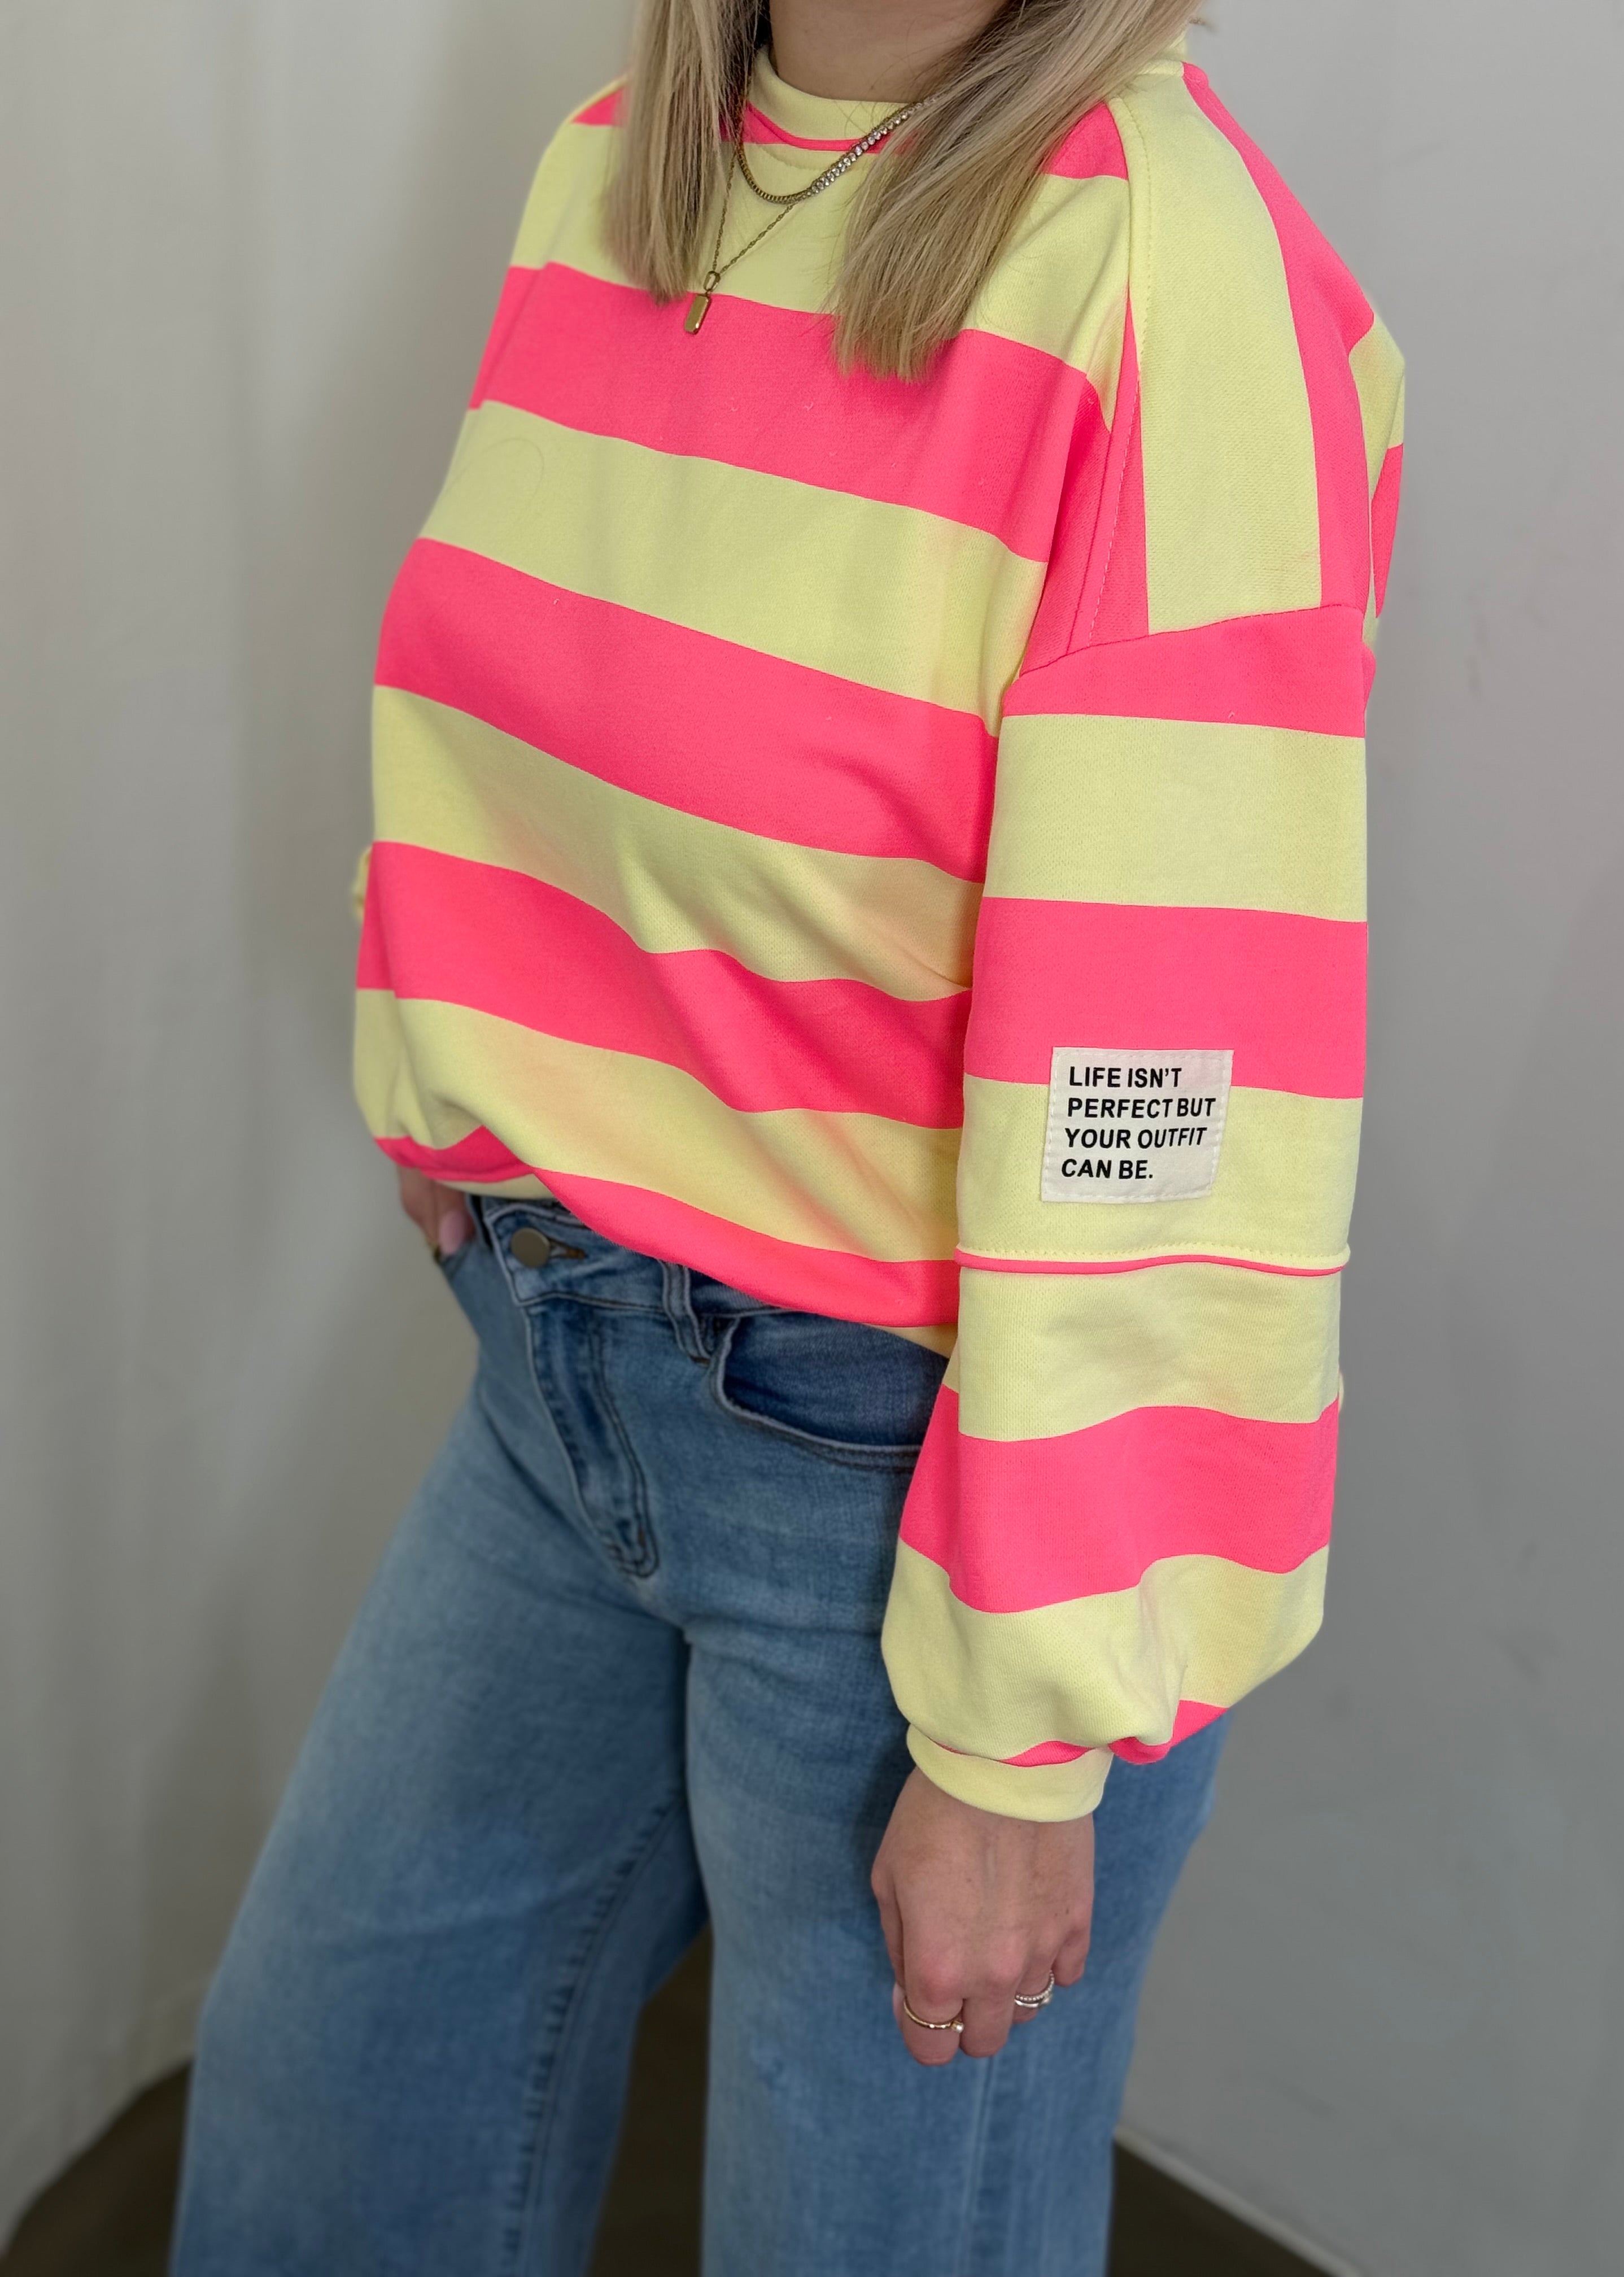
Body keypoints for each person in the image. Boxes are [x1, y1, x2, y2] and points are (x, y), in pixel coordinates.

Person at [171, 1, 1403, 2270]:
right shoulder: (621, 162)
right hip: (559, 1386)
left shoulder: (1162, 275)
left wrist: (1018, 1744)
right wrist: (451, 1031)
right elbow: (520, 676)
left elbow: (1175, 1091)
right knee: (324, 2138)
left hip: (908, 1499)